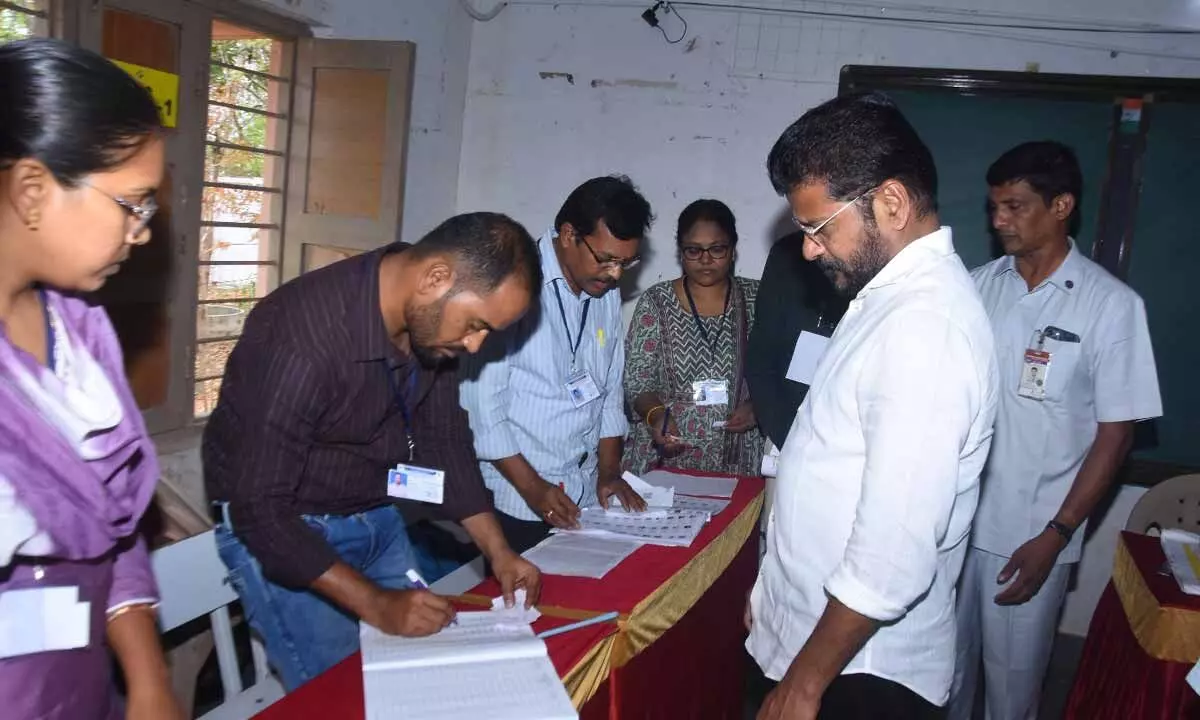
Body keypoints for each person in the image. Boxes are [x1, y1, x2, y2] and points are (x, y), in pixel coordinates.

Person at [203, 213, 545, 691]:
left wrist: (499, 551)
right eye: (475, 325)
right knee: (350, 695)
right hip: (290, 532)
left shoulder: (429, 327)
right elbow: (259, 511)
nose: (473, 344)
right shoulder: (301, 337)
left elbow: (445, 439)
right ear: (435, 278)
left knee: (419, 682)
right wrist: (377, 603)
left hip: (375, 513)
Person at [745, 92, 999, 720]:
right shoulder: (884, 297)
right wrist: (773, 593)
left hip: (859, 673)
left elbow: (891, 558)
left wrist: (804, 684)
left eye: (818, 228)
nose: (807, 249)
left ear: (890, 203)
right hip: (822, 644)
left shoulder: (926, 327)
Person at [0, 39, 183, 719]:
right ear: (32, 190)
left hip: (81, 682)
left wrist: (148, 679)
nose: (141, 234)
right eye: (132, 205)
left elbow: (114, 530)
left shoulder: (79, 328)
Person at [949, 141, 1162, 720]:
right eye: (994, 206)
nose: (999, 220)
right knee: (943, 677)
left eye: (1016, 206)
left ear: (1062, 204)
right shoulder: (976, 285)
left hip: (1030, 536)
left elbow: (1116, 435)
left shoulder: (1111, 307)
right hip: (953, 522)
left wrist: (1057, 534)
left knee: (1012, 692)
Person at [459, 176, 653, 553]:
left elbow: (610, 392)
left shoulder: (604, 291)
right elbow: (483, 415)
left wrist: (609, 471)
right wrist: (534, 489)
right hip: (516, 502)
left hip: (581, 497)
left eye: (626, 263)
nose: (615, 274)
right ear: (568, 235)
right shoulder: (510, 286)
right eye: (607, 259)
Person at [624, 199, 763, 476]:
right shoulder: (657, 302)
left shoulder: (757, 299)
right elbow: (637, 382)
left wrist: (758, 408)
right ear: (680, 252)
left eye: (717, 249)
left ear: (733, 250)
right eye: (694, 250)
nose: (706, 259)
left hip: (736, 456)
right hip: (667, 455)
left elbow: (781, 373)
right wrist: (656, 414)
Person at [745, 231, 846, 453]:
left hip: (852, 446)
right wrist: (789, 438)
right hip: (787, 436)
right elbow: (760, 359)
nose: (810, 250)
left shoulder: (880, 257)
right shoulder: (787, 253)